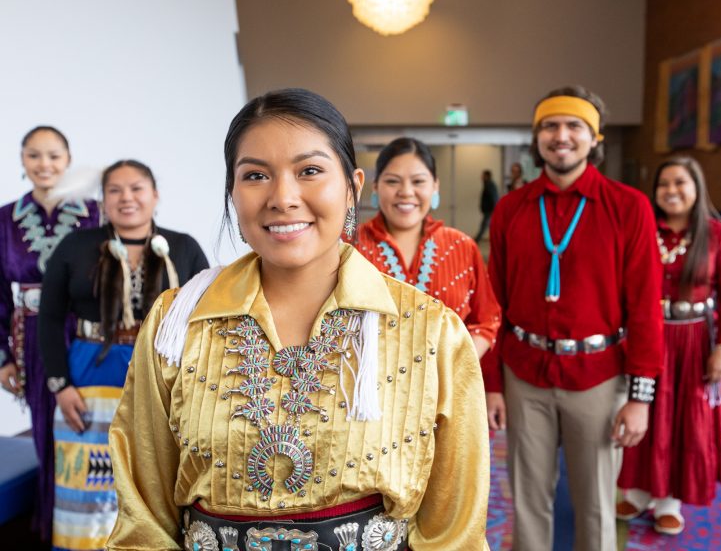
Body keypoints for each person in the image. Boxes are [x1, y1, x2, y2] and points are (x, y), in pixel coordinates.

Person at [106, 89, 490, 551]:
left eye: (309, 171)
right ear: (232, 191)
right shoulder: (177, 324)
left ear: (353, 187)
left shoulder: (430, 332)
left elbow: (456, 532)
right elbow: (144, 518)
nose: (283, 198)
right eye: (255, 175)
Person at [483, 86, 664, 551]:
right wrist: (493, 384)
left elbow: (645, 307)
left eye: (574, 126)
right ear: (536, 136)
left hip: (600, 377)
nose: (560, 136)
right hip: (525, 374)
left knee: (597, 503)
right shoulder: (511, 209)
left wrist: (641, 396)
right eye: (549, 126)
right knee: (527, 500)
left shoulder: (628, 207)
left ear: (593, 137)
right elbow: (493, 305)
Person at [38, 159, 208, 551]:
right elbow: (48, 319)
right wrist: (60, 386)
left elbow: (203, 317)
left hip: (161, 375)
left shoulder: (183, 247)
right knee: (88, 480)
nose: (126, 198)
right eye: (115, 190)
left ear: (155, 195)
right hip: (88, 373)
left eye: (136, 188)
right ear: (103, 199)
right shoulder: (76, 246)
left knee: (153, 472)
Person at [617, 156, 721, 535]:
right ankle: (639, 491)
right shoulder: (643, 229)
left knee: (685, 418)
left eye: (680, 183)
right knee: (644, 414)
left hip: (693, 341)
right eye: (664, 184)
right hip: (647, 336)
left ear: (696, 189)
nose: (671, 191)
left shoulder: (718, 235)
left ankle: (670, 501)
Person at [0, 126, 101, 543]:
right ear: (23, 161)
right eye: (35, 156)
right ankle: (54, 528)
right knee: (45, 426)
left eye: (54, 156)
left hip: (86, 337)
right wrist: (3, 356)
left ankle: (98, 528)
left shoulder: (97, 212)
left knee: (93, 426)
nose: (45, 165)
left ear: (68, 159)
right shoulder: (4, 219)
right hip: (31, 340)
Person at [355, 137, 500, 359]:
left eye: (418, 181)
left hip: (446, 389)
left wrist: (456, 367)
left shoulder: (461, 246)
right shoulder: (349, 246)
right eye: (392, 181)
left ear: (435, 186)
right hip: (365, 389)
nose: (406, 192)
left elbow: (486, 320)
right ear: (375, 186)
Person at [474, 169, 499, 242]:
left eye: (483, 175)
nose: (481, 177)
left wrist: (494, 209)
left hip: (490, 211)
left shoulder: (489, 185)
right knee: (488, 227)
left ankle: (475, 242)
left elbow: (494, 197)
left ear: (487, 176)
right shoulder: (487, 184)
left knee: (484, 227)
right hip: (489, 210)